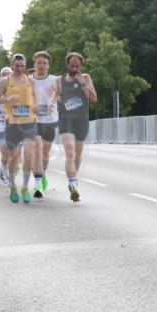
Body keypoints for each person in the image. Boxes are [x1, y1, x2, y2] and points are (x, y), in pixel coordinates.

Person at [0, 54, 39, 203]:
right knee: (14, 156)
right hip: (12, 123)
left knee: (29, 154)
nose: (20, 68)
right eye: (17, 66)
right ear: (12, 66)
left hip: (29, 122)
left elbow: (35, 98)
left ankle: (24, 187)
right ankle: (12, 186)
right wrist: (6, 99)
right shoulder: (5, 81)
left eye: (22, 66)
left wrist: (36, 108)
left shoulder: (30, 80)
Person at [51, 52, 96, 202]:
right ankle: (73, 185)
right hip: (66, 120)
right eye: (72, 65)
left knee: (77, 155)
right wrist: (55, 101)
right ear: (67, 65)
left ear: (81, 66)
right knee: (70, 153)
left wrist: (81, 82)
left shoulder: (86, 78)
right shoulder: (59, 80)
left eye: (77, 66)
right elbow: (55, 95)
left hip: (81, 121)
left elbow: (93, 98)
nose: (75, 68)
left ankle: (73, 178)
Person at [31, 51, 58, 198]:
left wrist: (52, 102)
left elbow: (58, 93)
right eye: (39, 62)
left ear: (48, 65)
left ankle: (42, 173)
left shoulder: (54, 80)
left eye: (44, 63)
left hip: (50, 120)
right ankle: (38, 184)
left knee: (45, 153)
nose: (41, 65)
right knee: (37, 149)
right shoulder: (29, 80)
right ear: (34, 64)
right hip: (34, 120)